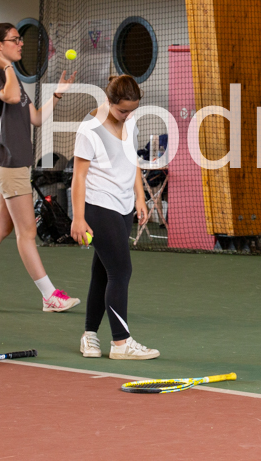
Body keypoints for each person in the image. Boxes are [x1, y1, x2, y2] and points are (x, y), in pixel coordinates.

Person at [0, 23, 79, 313]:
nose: (21, 43)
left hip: (16, 165)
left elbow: (35, 118)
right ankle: (50, 296)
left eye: (20, 39)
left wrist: (58, 94)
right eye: (15, 39)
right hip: (9, 165)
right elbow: (8, 98)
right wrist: (7, 66)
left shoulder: (12, 78)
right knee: (28, 233)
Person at [72, 75, 158, 360]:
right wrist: (78, 218)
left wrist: (139, 197)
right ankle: (121, 343)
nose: (128, 115)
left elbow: (132, 160)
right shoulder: (90, 129)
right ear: (108, 101)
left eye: (132, 109)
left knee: (103, 272)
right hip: (99, 205)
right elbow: (79, 177)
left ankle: (89, 335)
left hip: (124, 206)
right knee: (121, 271)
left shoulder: (130, 121)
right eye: (123, 110)